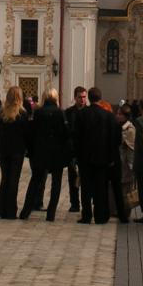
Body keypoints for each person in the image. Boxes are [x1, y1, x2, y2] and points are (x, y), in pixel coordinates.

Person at [19, 88, 70, 221]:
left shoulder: (38, 112)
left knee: (35, 181)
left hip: (40, 153)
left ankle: (26, 211)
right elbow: (65, 134)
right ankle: (51, 213)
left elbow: (33, 133)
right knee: (56, 183)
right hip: (57, 153)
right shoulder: (60, 113)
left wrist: (31, 151)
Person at [74, 86, 120, 224]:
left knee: (86, 188)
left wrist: (77, 156)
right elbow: (115, 139)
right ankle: (101, 216)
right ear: (100, 98)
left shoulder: (81, 114)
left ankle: (86, 215)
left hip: (85, 158)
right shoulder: (109, 116)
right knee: (101, 187)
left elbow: (76, 137)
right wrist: (111, 157)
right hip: (103, 159)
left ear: (88, 97)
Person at [0, 85, 29, 219]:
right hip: (17, 151)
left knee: (4, 179)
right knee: (13, 180)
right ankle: (11, 210)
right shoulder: (22, 113)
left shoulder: (2, 112)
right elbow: (26, 134)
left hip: (3, 150)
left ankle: (2, 210)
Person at [64, 85, 87, 213]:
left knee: (86, 179)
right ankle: (74, 204)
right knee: (73, 179)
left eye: (84, 97)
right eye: (80, 97)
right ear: (75, 98)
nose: (82, 100)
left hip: (86, 151)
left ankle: (85, 204)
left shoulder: (89, 112)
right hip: (73, 151)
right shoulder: (68, 112)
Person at [113, 103, 137, 221]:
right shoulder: (118, 126)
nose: (117, 116)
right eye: (117, 113)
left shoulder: (130, 129)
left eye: (119, 114)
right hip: (118, 163)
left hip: (126, 165)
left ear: (125, 116)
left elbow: (131, 150)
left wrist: (132, 167)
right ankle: (117, 209)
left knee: (126, 190)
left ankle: (124, 212)